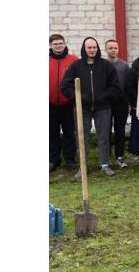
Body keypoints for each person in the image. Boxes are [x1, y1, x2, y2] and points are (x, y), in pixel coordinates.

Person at [60, 37, 122, 177]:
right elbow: (65, 86)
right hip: (83, 107)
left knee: (103, 135)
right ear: (84, 48)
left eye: (94, 47)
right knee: (82, 136)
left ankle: (105, 164)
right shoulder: (76, 66)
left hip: (103, 107)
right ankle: (83, 166)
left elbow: (115, 86)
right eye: (89, 48)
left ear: (98, 48)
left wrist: (104, 96)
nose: (92, 50)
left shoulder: (106, 65)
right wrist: (78, 97)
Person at [50, 34, 79, 173]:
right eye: (55, 44)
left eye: (60, 43)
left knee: (69, 133)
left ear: (65, 44)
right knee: (51, 133)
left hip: (68, 104)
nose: (58, 46)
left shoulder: (73, 60)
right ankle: (53, 160)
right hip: (49, 105)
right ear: (50, 45)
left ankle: (70, 159)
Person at [104, 38, 130, 170]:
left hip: (121, 103)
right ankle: (106, 158)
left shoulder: (124, 65)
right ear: (106, 49)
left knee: (120, 130)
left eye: (115, 48)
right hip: (106, 103)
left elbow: (128, 84)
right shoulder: (102, 65)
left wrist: (128, 101)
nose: (113, 50)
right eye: (110, 48)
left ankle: (119, 156)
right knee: (106, 130)